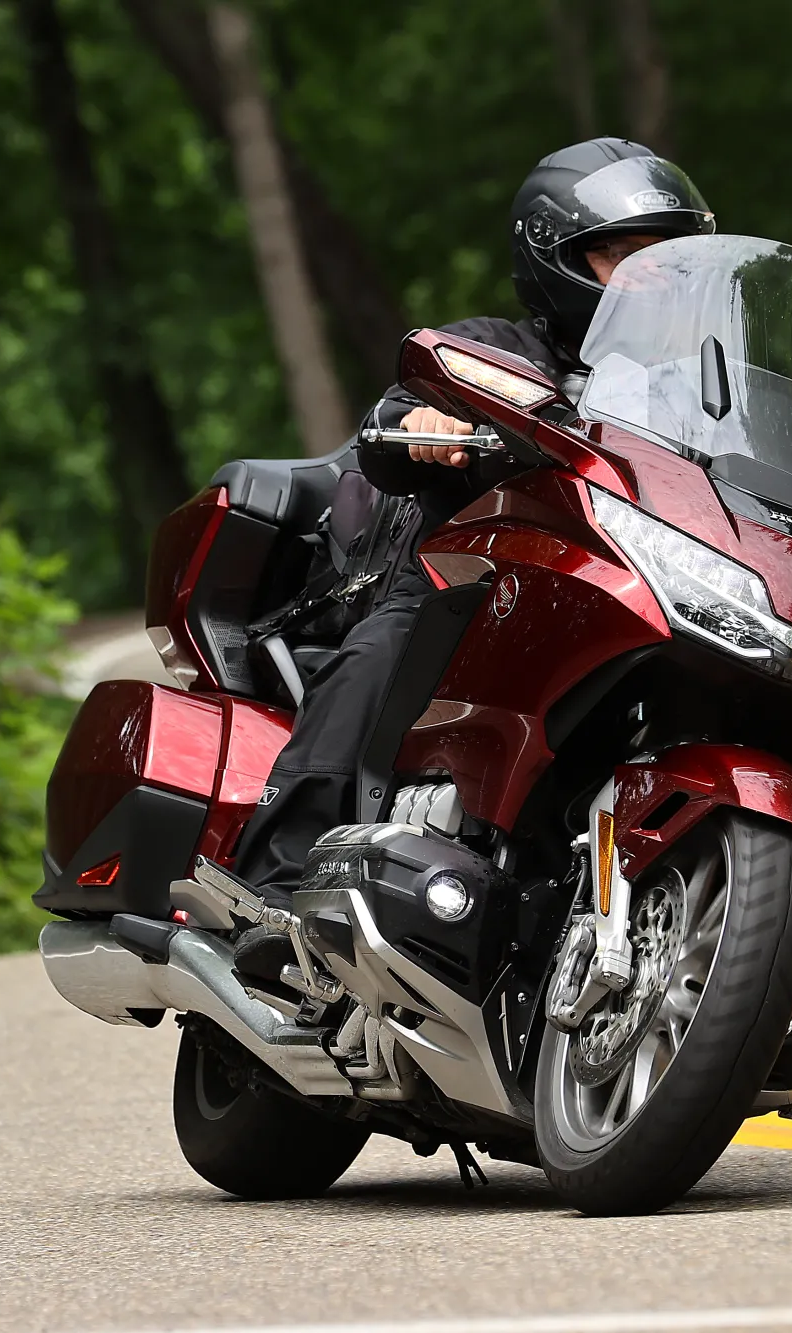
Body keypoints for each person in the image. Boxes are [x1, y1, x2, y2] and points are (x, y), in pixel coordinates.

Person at [230, 138, 716, 953]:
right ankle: (272, 886)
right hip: (485, 582)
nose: (645, 279)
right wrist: (425, 424)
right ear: (553, 260)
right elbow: (406, 409)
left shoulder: (698, 389)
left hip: (636, 594)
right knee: (394, 644)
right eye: (617, 257)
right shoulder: (496, 350)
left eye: (664, 260)